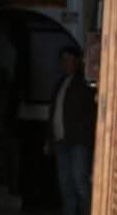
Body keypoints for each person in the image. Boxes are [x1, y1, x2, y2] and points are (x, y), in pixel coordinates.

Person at [49, 46, 97, 215]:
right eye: (62, 59)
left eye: (68, 58)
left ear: (76, 60)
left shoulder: (84, 83)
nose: (64, 62)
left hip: (78, 142)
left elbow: (92, 112)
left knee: (80, 182)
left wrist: (81, 131)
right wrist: (50, 140)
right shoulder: (60, 84)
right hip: (61, 142)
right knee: (65, 186)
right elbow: (53, 113)